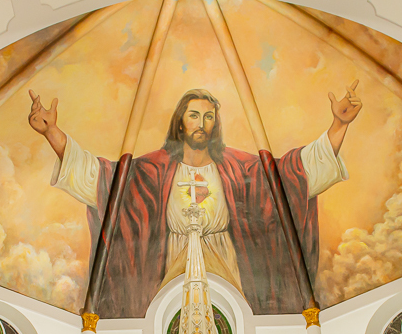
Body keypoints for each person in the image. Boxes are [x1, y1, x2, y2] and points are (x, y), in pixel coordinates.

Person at [28, 84, 362, 317]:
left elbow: (292, 175)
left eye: (208, 117)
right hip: (170, 260)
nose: (201, 124)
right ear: (180, 123)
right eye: (193, 116)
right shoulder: (150, 171)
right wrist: (51, 133)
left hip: (225, 260)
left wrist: (338, 125)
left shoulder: (240, 168)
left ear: (216, 123)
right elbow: (100, 179)